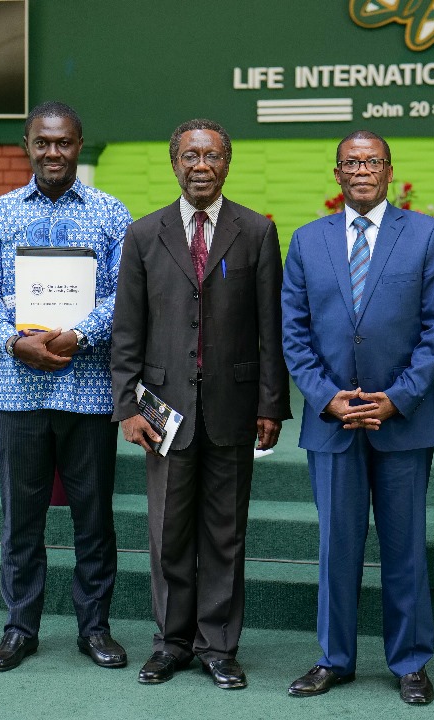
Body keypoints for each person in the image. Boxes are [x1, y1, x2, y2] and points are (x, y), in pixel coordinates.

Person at [110, 118, 290, 690]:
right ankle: (171, 642)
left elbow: (271, 328)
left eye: (211, 155)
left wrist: (271, 404)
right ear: (175, 164)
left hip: (233, 406)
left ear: (227, 164)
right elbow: (126, 330)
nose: (201, 165)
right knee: (168, 532)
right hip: (163, 410)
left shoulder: (256, 231)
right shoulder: (144, 234)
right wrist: (126, 406)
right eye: (190, 155)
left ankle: (218, 646)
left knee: (225, 533)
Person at [282, 130, 434, 705]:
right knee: (336, 548)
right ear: (336, 173)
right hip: (331, 422)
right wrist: (326, 397)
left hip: (401, 421)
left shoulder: (425, 234)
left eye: (372, 161)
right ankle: (334, 659)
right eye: (351, 163)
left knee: (405, 549)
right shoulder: (307, 241)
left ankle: (410, 662)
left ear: (389, 170)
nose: (361, 170)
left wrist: (398, 397)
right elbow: (293, 332)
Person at [0, 101, 131, 672]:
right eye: (43, 142)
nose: (53, 152)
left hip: (88, 391)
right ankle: (20, 629)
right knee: (20, 519)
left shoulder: (111, 212)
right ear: (28, 146)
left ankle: (95, 628)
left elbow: (124, 294)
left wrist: (79, 334)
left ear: (79, 145)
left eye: (63, 142)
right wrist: (14, 341)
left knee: (94, 519)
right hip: (15, 391)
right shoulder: (1, 213)